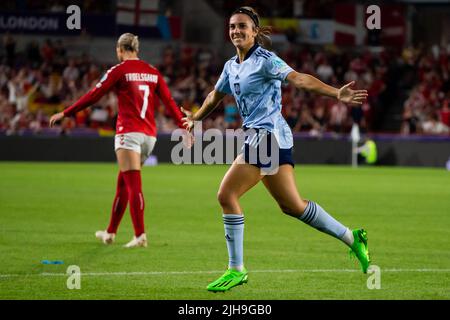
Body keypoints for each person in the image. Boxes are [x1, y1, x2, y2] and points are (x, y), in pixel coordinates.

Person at [181, 7, 370, 292]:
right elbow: (215, 94)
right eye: (232, 27)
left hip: (268, 137)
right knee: (293, 206)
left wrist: (335, 93)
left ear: (255, 31)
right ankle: (352, 237)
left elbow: (300, 79)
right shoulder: (231, 66)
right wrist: (196, 118)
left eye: (243, 26)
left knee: (226, 194)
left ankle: (236, 269)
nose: (236, 31)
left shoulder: (266, 61)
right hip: (268, 138)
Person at [50, 33, 187, 248]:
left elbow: (94, 94)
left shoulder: (118, 70)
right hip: (149, 137)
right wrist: (184, 126)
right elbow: (169, 101)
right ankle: (110, 232)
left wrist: (66, 113)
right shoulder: (153, 72)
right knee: (122, 185)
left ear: (119, 49)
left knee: (133, 185)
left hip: (128, 134)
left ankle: (140, 234)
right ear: (137, 49)